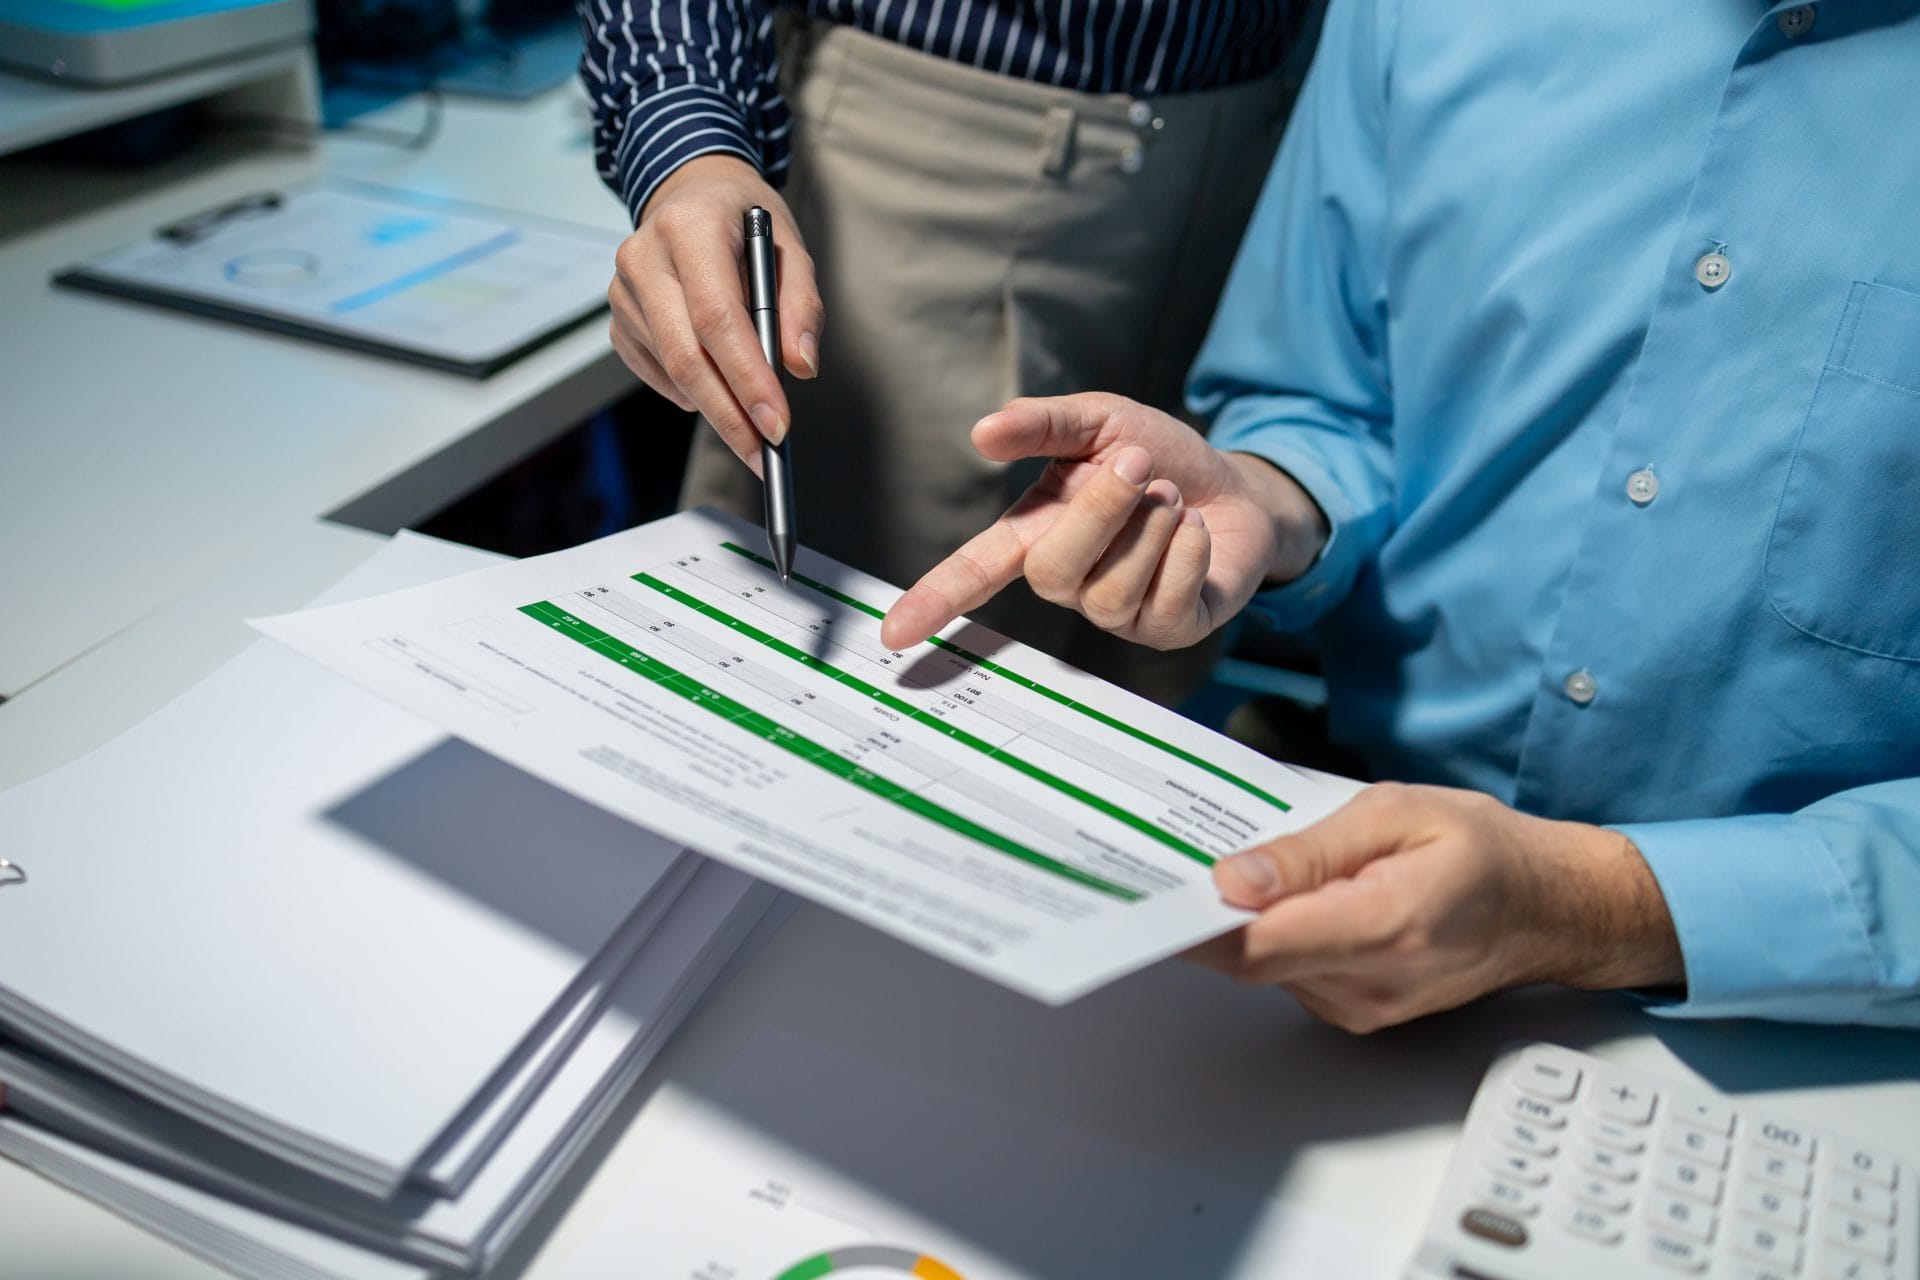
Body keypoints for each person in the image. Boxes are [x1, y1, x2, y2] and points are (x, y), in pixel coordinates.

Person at [879, 0, 1920, 1031]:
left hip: (1816, 1019)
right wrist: (1270, 504)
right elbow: (1325, 397)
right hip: (1340, 874)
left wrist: (1594, 903)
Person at [576, 0, 1315, 704]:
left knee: (1144, 645)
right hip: (927, 174)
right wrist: (688, 150)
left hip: (1251, 184)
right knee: (843, 679)